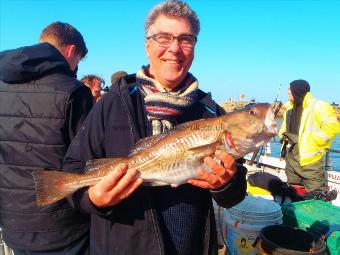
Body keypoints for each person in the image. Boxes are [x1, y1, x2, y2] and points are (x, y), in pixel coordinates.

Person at [63, 1, 247, 254]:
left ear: (194, 47)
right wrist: (93, 199)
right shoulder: (112, 103)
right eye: (163, 38)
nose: (174, 48)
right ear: (147, 45)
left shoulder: (211, 112)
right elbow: (73, 169)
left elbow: (235, 194)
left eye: (185, 39)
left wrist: (225, 184)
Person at [0, 22, 93, 254]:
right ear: (71, 51)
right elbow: (87, 157)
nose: (76, 67)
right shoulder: (73, 91)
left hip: (13, 221)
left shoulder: (3, 84)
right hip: (64, 225)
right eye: (78, 61)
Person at [279, 79, 340, 193]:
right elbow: (284, 128)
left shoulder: (320, 106)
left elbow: (332, 128)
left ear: (297, 90)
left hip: (310, 161)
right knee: (293, 191)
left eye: (289, 89)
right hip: (291, 157)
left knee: (315, 193)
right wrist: (283, 136)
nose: (287, 92)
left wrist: (313, 141)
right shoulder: (288, 109)